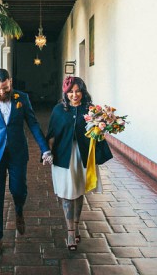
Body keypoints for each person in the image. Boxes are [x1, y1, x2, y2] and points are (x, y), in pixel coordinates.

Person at [0, 68, 53, 259]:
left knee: (18, 189)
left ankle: (19, 210)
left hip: (18, 153)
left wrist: (45, 149)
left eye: (5, 88)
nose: (2, 92)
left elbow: (33, 124)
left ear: (10, 82)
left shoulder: (22, 98)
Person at [46, 76, 113, 250]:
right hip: (63, 156)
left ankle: (76, 226)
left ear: (83, 92)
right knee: (68, 193)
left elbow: (98, 132)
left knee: (79, 191)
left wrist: (104, 126)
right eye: (70, 92)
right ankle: (70, 232)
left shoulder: (91, 110)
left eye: (78, 91)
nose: (74, 95)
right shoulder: (59, 110)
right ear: (65, 93)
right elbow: (52, 133)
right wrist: (48, 152)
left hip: (83, 156)